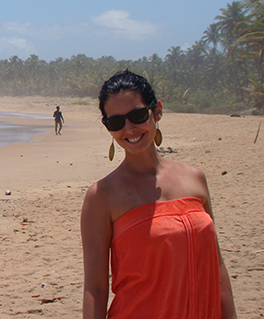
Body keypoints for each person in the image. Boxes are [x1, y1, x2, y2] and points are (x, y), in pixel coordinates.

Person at [81, 70, 236, 319]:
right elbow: (95, 288)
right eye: (116, 122)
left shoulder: (195, 178)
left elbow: (216, 266)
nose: (129, 129)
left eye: (137, 115)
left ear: (157, 111)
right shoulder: (102, 196)